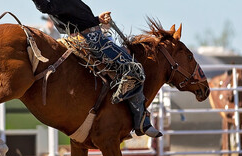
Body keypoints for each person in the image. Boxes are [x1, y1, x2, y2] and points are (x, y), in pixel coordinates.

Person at [31, 0, 162, 138]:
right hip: (92, 40)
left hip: (95, 37)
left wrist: (97, 20)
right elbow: (45, 7)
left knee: (131, 67)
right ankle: (139, 122)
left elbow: (77, 17)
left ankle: (131, 116)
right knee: (134, 69)